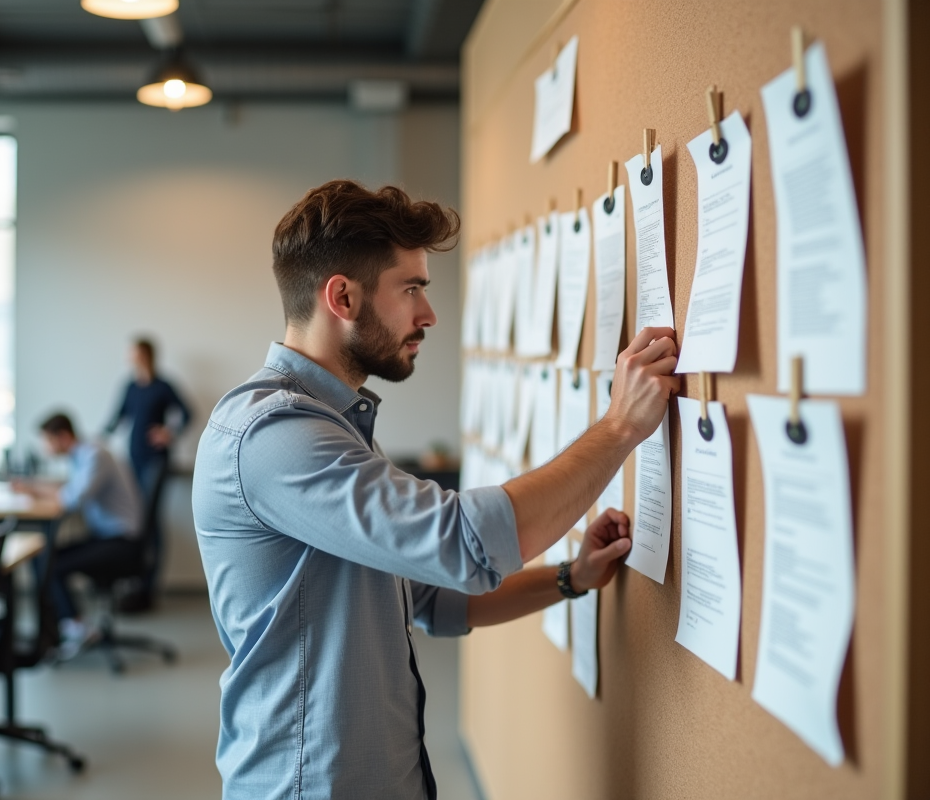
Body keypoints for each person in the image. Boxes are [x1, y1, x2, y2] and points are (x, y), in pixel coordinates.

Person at [192, 180, 679, 800]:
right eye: (412, 288)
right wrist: (619, 428)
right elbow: (463, 545)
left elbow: (432, 596)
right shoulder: (273, 435)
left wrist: (570, 578)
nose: (428, 314)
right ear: (341, 296)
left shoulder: (337, 425)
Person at [36, 412, 144, 658]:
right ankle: (58, 629)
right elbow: (68, 491)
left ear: (62, 437)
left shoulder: (95, 455)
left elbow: (72, 499)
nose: (45, 447)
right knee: (46, 555)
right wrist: (37, 489)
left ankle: (75, 628)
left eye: (47, 440)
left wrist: (41, 492)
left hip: (122, 542)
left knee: (51, 563)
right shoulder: (81, 457)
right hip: (108, 536)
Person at [104, 338, 191, 496]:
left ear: (145, 355)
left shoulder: (163, 386)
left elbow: (188, 414)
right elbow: (118, 416)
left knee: (150, 509)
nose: (129, 358)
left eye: (133, 354)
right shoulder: (130, 387)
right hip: (134, 453)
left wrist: (170, 433)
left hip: (156, 457)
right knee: (138, 506)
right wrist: (100, 437)